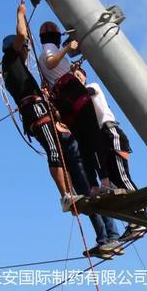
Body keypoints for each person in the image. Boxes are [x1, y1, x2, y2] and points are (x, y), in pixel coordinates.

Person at [1, 10, 74, 211]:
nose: (27, 52)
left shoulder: (13, 68)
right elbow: (22, 35)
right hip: (35, 110)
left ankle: (69, 193)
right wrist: (20, 13)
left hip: (33, 112)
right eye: (25, 48)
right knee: (55, 150)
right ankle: (66, 195)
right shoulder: (10, 58)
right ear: (17, 48)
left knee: (58, 150)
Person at [37, 21, 104, 192]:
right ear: (55, 37)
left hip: (63, 99)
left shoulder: (41, 56)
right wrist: (67, 48)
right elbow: (51, 62)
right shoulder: (50, 49)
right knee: (94, 135)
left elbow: (52, 69)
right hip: (73, 92)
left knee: (82, 143)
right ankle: (105, 180)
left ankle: (94, 186)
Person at [57, 124, 124, 258]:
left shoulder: (66, 133)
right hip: (76, 163)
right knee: (90, 202)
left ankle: (110, 238)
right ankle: (108, 239)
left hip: (78, 163)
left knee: (91, 201)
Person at [75, 68, 141, 203]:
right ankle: (132, 211)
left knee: (122, 177)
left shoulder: (93, 86)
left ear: (84, 76)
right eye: (74, 77)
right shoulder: (80, 100)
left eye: (78, 75)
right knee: (113, 179)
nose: (76, 78)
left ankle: (140, 208)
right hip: (99, 138)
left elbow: (88, 92)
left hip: (110, 131)